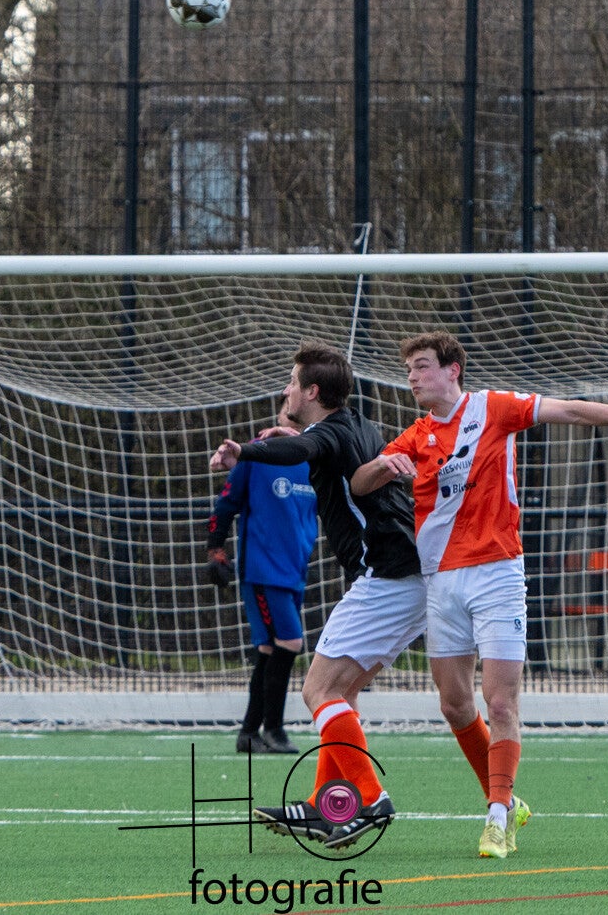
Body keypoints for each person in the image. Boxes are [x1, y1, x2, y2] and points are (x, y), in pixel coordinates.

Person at [351, 330, 608, 859]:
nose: (413, 377)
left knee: (500, 700)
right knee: (454, 704)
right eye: (410, 369)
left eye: (422, 366)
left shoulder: (494, 408)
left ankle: (496, 816)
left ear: (452, 370)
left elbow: (571, 411)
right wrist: (381, 466)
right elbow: (359, 484)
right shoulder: (416, 435)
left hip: (497, 575)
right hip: (440, 582)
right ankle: (508, 802)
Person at [209, 341, 427, 850]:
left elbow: (301, 451)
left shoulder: (325, 434)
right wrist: (294, 435)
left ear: (310, 391)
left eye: (291, 382)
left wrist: (245, 451)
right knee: (340, 694)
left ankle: (370, 797)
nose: (285, 390)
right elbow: (315, 447)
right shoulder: (358, 426)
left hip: (386, 577)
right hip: (409, 577)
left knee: (318, 691)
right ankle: (326, 805)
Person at [206, 405, 318, 755]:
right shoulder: (255, 455)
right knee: (290, 642)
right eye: (287, 408)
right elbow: (226, 504)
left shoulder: (317, 456)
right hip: (263, 568)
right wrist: (215, 549)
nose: (292, 413)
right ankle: (274, 729)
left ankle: (249, 733)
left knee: (270, 648)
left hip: (295, 568)